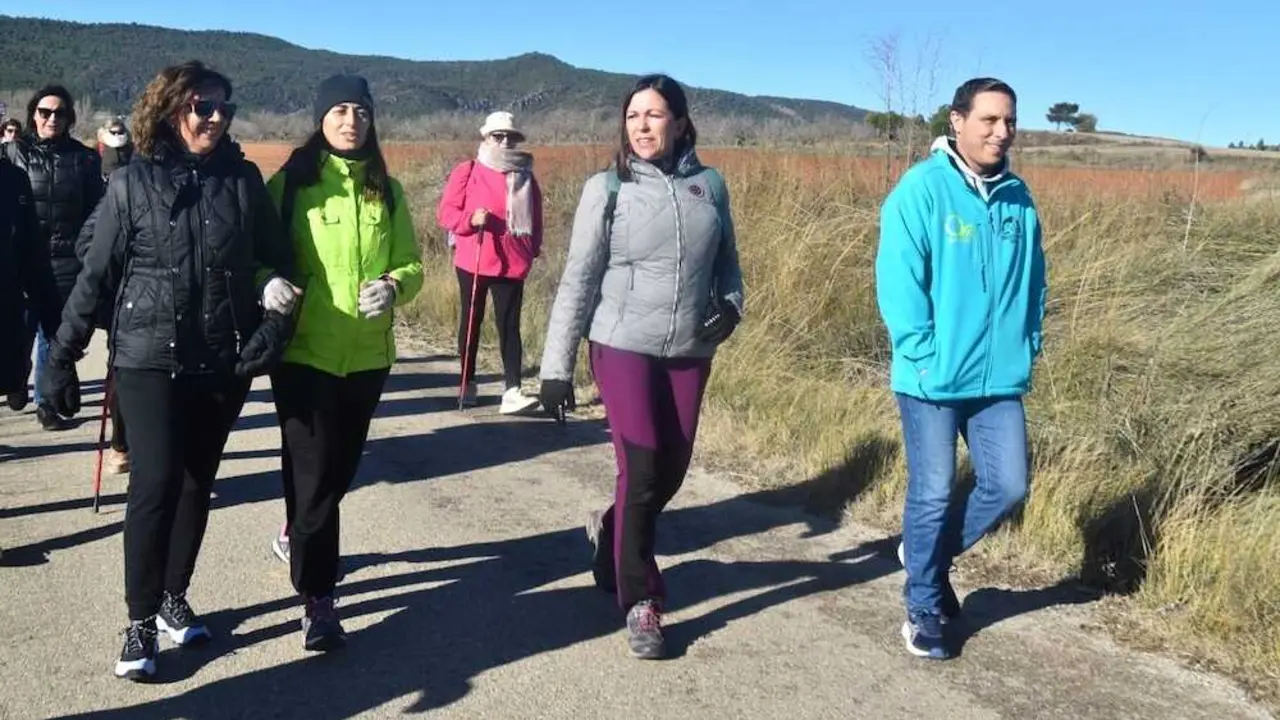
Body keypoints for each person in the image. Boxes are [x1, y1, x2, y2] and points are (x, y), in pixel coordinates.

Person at [39, 60, 298, 682]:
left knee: (194, 484)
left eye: (224, 109)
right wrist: (61, 358)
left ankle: (174, 597)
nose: (215, 118)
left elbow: (281, 264)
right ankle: (138, 619)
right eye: (202, 106)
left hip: (221, 362)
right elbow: (95, 274)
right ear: (171, 109)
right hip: (147, 358)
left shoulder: (243, 181)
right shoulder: (132, 182)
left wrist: (272, 331)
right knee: (153, 485)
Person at [538, 74, 744, 660]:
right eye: (634, 116)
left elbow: (728, 266)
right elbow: (577, 279)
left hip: (687, 351)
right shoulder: (606, 188)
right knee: (644, 464)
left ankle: (611, 531)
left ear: (680, 122)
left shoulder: (711, 186)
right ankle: (641, 599)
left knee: (670, 472)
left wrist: (730, 309)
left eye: (655, 115)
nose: (643, 126)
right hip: (620, 343)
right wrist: (557, 366)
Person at [874, 77, 1047, 660]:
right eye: (989, 121)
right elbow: (899, 282)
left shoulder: (1019, 197)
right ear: (957, 120)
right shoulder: (922, 191)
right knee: (933, 492)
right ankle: (922, 604)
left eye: (1009, 122)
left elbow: (1036, 281)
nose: (1002, 133)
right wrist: (922, 353)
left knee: (1007, 485)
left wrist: (1030, 339)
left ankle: (925, 554)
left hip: (999, 376)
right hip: (933, 377)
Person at [265, 74, 423, 652]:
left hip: (366, 357)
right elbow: (259, 256)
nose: (351, 120)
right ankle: (318, 601)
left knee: (337, 472)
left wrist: (392, 285)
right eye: (338, 110)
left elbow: (411, 263)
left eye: (360, 110)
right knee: (315, 482)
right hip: (304, 354)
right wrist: (268, 284)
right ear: (320, 118)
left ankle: (296, 531)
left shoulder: (389, 189)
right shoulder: (291, 185)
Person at [3, 85, 103, 427]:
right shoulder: (13, 154)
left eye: (59, 113)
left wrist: (87, 254)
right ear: (33, 114)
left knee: (54, 334)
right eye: (45, 112)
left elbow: (96, 211)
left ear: (69, 118)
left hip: (64, 261)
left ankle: (46, 402)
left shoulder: (86, 159)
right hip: (19, 259)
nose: (52, 119)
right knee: (20, 328)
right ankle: (16, 378)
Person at [436, 111, 543, 414]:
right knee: (471, 323)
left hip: (513, 262)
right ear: (485, 138)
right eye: (498, 136)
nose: (505, 141)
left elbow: (536, 216)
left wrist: (533, 249)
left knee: (510, 327)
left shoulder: (525, 175)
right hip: (475, 258)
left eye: (510, 136)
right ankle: (467, 383)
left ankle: (512, 391)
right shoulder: (467, 170)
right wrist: (470, 219)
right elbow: (446, 214)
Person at [83, 117, 137, 474]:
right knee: (119, 366)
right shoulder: (91, 168)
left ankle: (127, 443)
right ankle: (121, 443)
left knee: (123, 367)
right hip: (111, 281)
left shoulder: (140, 167)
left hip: (140, 279)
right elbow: (87, 237)